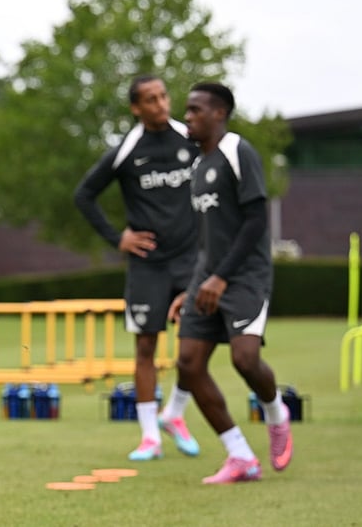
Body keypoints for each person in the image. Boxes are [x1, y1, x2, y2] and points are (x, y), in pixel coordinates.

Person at [73, 75, 201, 462]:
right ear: (136, 108)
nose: (161, 104)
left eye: (163, 96)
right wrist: (118, 239)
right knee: (145, 347)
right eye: (150, 99)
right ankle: (150, 437)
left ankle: (175, 414)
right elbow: (84, 195)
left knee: (197, 347)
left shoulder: (191, 139)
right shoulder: (127, 150)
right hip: (148, 266)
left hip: (191, 261)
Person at [171, 82, 293, 483]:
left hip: (244, 277)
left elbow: (256, 220)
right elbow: (207, 238)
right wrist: (190, 289)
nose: (187, 117)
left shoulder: (237, 151)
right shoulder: (197, 165)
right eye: (186, 111)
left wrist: (222, 277)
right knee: (188, 365)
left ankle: (276, 413)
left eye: (195, 110)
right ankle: (240, 455)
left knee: (244, 359)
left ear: (219, 113)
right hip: (205, 280)